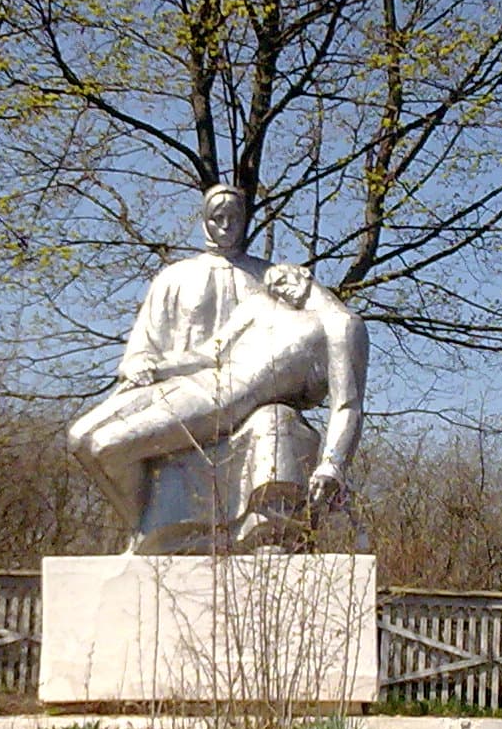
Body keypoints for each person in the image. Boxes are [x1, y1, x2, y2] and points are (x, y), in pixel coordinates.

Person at [68, 263, 367, 538]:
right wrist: (155, 367)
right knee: (79, 437)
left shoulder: (341, 326)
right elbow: (210, 353)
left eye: (284, 277)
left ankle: (159, 534)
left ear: (304, 274)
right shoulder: (262, 305)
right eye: (273, 283)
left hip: (224, 401)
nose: (279, 286)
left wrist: (333, 464)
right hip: (190, 382)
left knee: (107, 446)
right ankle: (153, 536)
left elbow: (347, 405)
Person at [114, 182, 268, 389]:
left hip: (252, 390)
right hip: (181, 389)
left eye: (234, 218)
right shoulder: (175, 277)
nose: (225, 226)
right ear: (205, 220)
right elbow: (144, 343)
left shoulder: (267, 276)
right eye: (218, 218)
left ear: (244, 221)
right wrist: (139, 362)